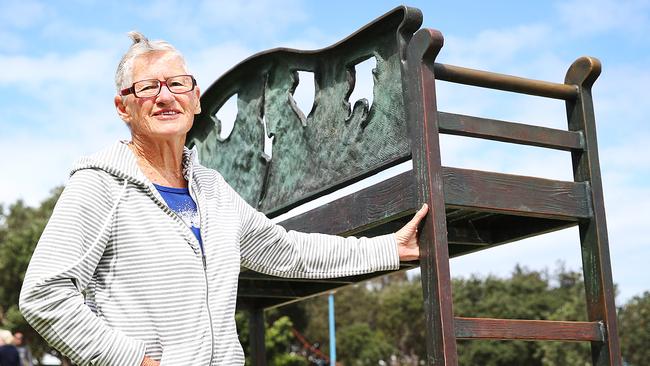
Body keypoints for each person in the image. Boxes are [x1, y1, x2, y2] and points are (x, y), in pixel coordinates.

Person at [19, 32, 428, 366]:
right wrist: (134, 361)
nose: (165, 96)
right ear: (123, 107)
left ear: (195, 99)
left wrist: (391, 248)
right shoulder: (101, 185)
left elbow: (289, 252)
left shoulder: (213, 190)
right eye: (147, 87)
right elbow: (44, 295)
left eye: (178, 84)